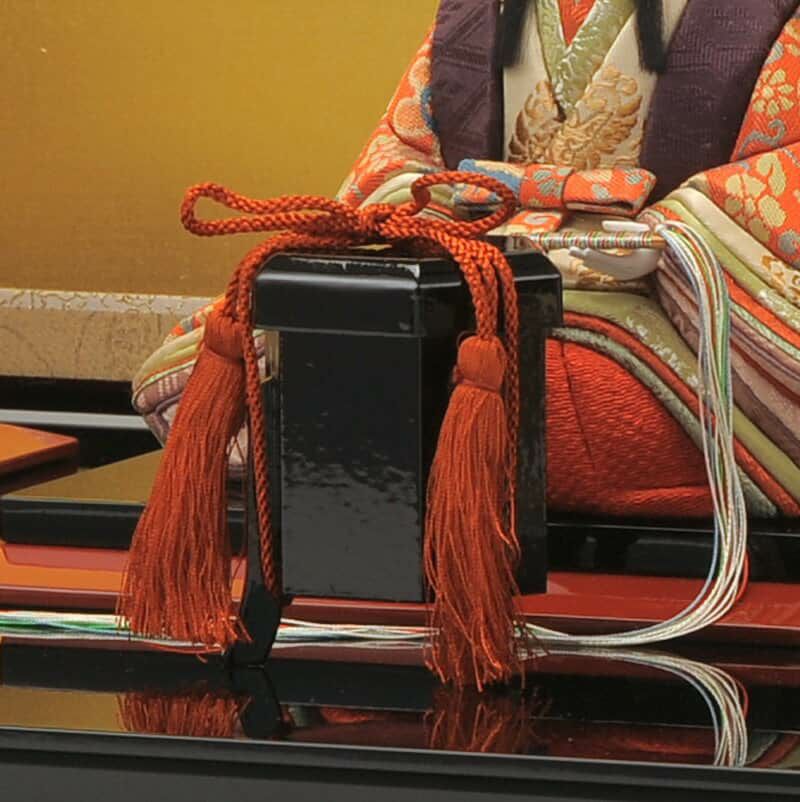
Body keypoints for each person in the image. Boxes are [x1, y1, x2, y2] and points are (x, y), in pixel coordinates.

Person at [134, 0, 800, 523]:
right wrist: (449, 214)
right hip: (475, 282)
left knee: (529, 403)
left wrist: (666, 237)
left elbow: (780, 176)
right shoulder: (486, 10)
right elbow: (401, 162)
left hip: (654, 318)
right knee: (231, 374)